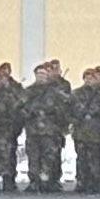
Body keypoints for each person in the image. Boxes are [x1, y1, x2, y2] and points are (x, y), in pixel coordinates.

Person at [21, 59, 73, 191]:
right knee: (33, 156)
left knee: (49, 156)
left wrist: (63, 126)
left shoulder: (55, 92)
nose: (41, 77)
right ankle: (34, 181)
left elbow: (63, 110)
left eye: (44, 74)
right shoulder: (28, 92)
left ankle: (49, 181)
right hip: (33, 130)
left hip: (51, 131)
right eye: (39, 74)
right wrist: (28, 113)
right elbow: (19, 109)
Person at [67, 65, 100, 192]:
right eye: (86, 78)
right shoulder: (76, 94)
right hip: (81, 131)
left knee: (96, 159)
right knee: (82, 159)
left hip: (97, 131)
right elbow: (69, 111)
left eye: (92, 78)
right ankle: (82, 182)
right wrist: (74, 121)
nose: (89, 80)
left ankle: (96, 183)